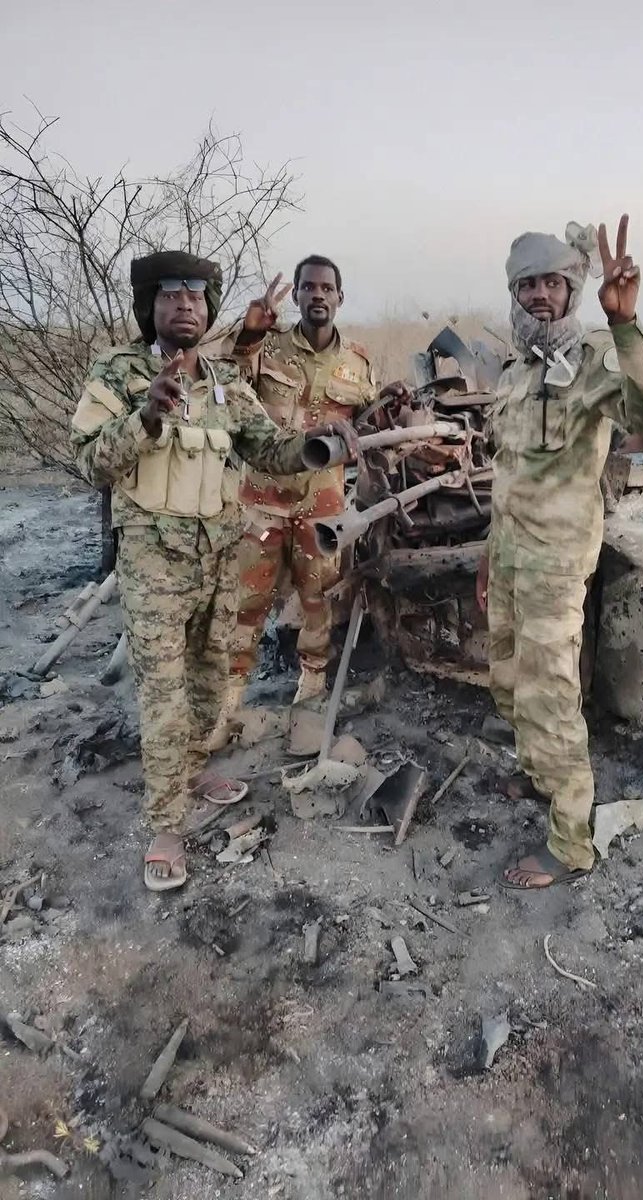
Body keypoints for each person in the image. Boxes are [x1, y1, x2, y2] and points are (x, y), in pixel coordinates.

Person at [70, 251, 351, 892]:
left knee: (208, 680)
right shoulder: (119, 372)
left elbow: (269, 449)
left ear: (208, 308)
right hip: (154, 566)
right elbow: (89, 461)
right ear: (150, 307)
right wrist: (145, 418)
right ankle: (167, 826)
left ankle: (193, 772)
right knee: (164, 696)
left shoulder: (224, 380)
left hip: (219, 560)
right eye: (171, 296)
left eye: (196, 297)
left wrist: (326, 440)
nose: (185, 306)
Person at [476, 215, 643, 889]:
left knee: (550, 696)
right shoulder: (514, 374)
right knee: (506, 680)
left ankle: (570, 842)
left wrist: (625, 323)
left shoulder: (593, 361)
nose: (539, 295)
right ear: (514, 293)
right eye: (527, 284)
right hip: (509, 560)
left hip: (555, 568)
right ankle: (538, 777)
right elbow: (507, 476)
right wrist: (488, 555)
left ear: (570, 291)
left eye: (552, 284)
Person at [211, 256, 410, 741]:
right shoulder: (267, 347)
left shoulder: (357, 363)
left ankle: (312, 685)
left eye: (327, 288)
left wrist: (388, 403)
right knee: (246, 603)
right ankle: (227, 702)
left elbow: (364, 427)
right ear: (297, 295)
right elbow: (223, 381)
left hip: (322, 510)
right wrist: (248, 332)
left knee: (320, 602)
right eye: (308, 287)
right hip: (262, 502)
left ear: (340, 297)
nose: (318, 295)